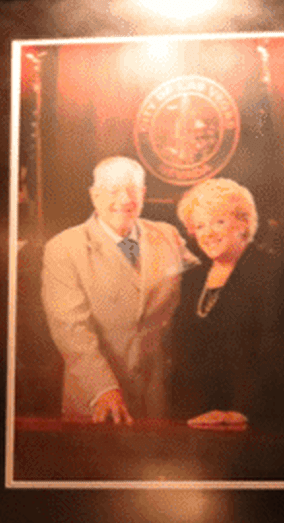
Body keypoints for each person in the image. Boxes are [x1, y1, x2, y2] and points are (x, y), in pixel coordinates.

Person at [41, 156, 194, 423]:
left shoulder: (168, 236)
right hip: (96, 402)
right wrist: (104, 389)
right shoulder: (64, 248)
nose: (124, 200)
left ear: (143, 194)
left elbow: (207, 282)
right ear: (94, 195)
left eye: (132, 190)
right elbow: (70, 329)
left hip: (160, 399)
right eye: (113, 191)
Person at [170, 177, 283, 431]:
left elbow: (277, 353)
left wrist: (242, 411)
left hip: (252, 421)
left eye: (219, 222)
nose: (208, 233)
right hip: (194, 418)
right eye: (200, 226)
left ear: (243, 223)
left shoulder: (271, 272)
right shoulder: (193, 278)